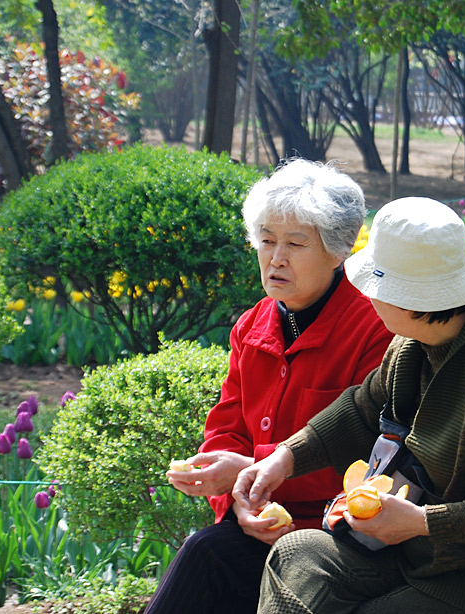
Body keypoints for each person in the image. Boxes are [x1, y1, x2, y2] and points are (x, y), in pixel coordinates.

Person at [233, 197, 465, 614]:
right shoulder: (414, 343)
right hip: (426, 557)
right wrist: (284, 459)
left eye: (375, 286)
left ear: (410, 299)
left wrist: (421, 523)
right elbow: (362, 410)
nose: (365, 295)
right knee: (297, 556)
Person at [145, 159, 394, 614]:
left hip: (336, 534)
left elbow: (371, 453)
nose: (275, 258)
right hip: (258, 520)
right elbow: (226, 430)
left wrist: (249, 470)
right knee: (210, 550)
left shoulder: (373, 328)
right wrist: (236, 500)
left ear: (339, 250)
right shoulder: (253, 324)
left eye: (295, 243)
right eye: (266, 240)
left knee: (207, 556)